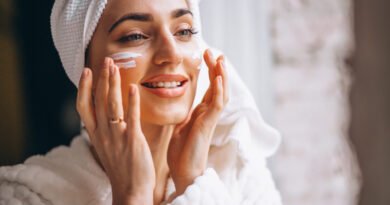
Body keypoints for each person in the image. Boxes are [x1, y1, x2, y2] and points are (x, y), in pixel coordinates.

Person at [0, 0, 282, 204]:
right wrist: (131, 197)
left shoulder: (240, 173)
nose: (171, 55)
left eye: (183, 31)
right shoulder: (27, 194)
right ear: (85, 70)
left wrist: (193, 183)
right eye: (134, 35)